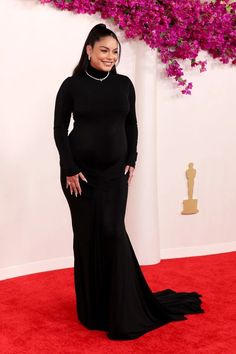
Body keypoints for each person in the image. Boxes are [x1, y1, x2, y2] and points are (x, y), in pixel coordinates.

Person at [53, 23, 204, 340]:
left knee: (112, 232)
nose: (110, 56)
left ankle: (122, 306)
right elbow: (59, 130)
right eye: (104, 50)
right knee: (85, 237)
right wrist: (69, 167)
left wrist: (132, 159)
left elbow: (132, 124)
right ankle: (92, 310)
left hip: (114, 175)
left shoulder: (124, 85)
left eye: (115, 51)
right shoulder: (71, 86)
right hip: (78, 176)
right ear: (89, 50)